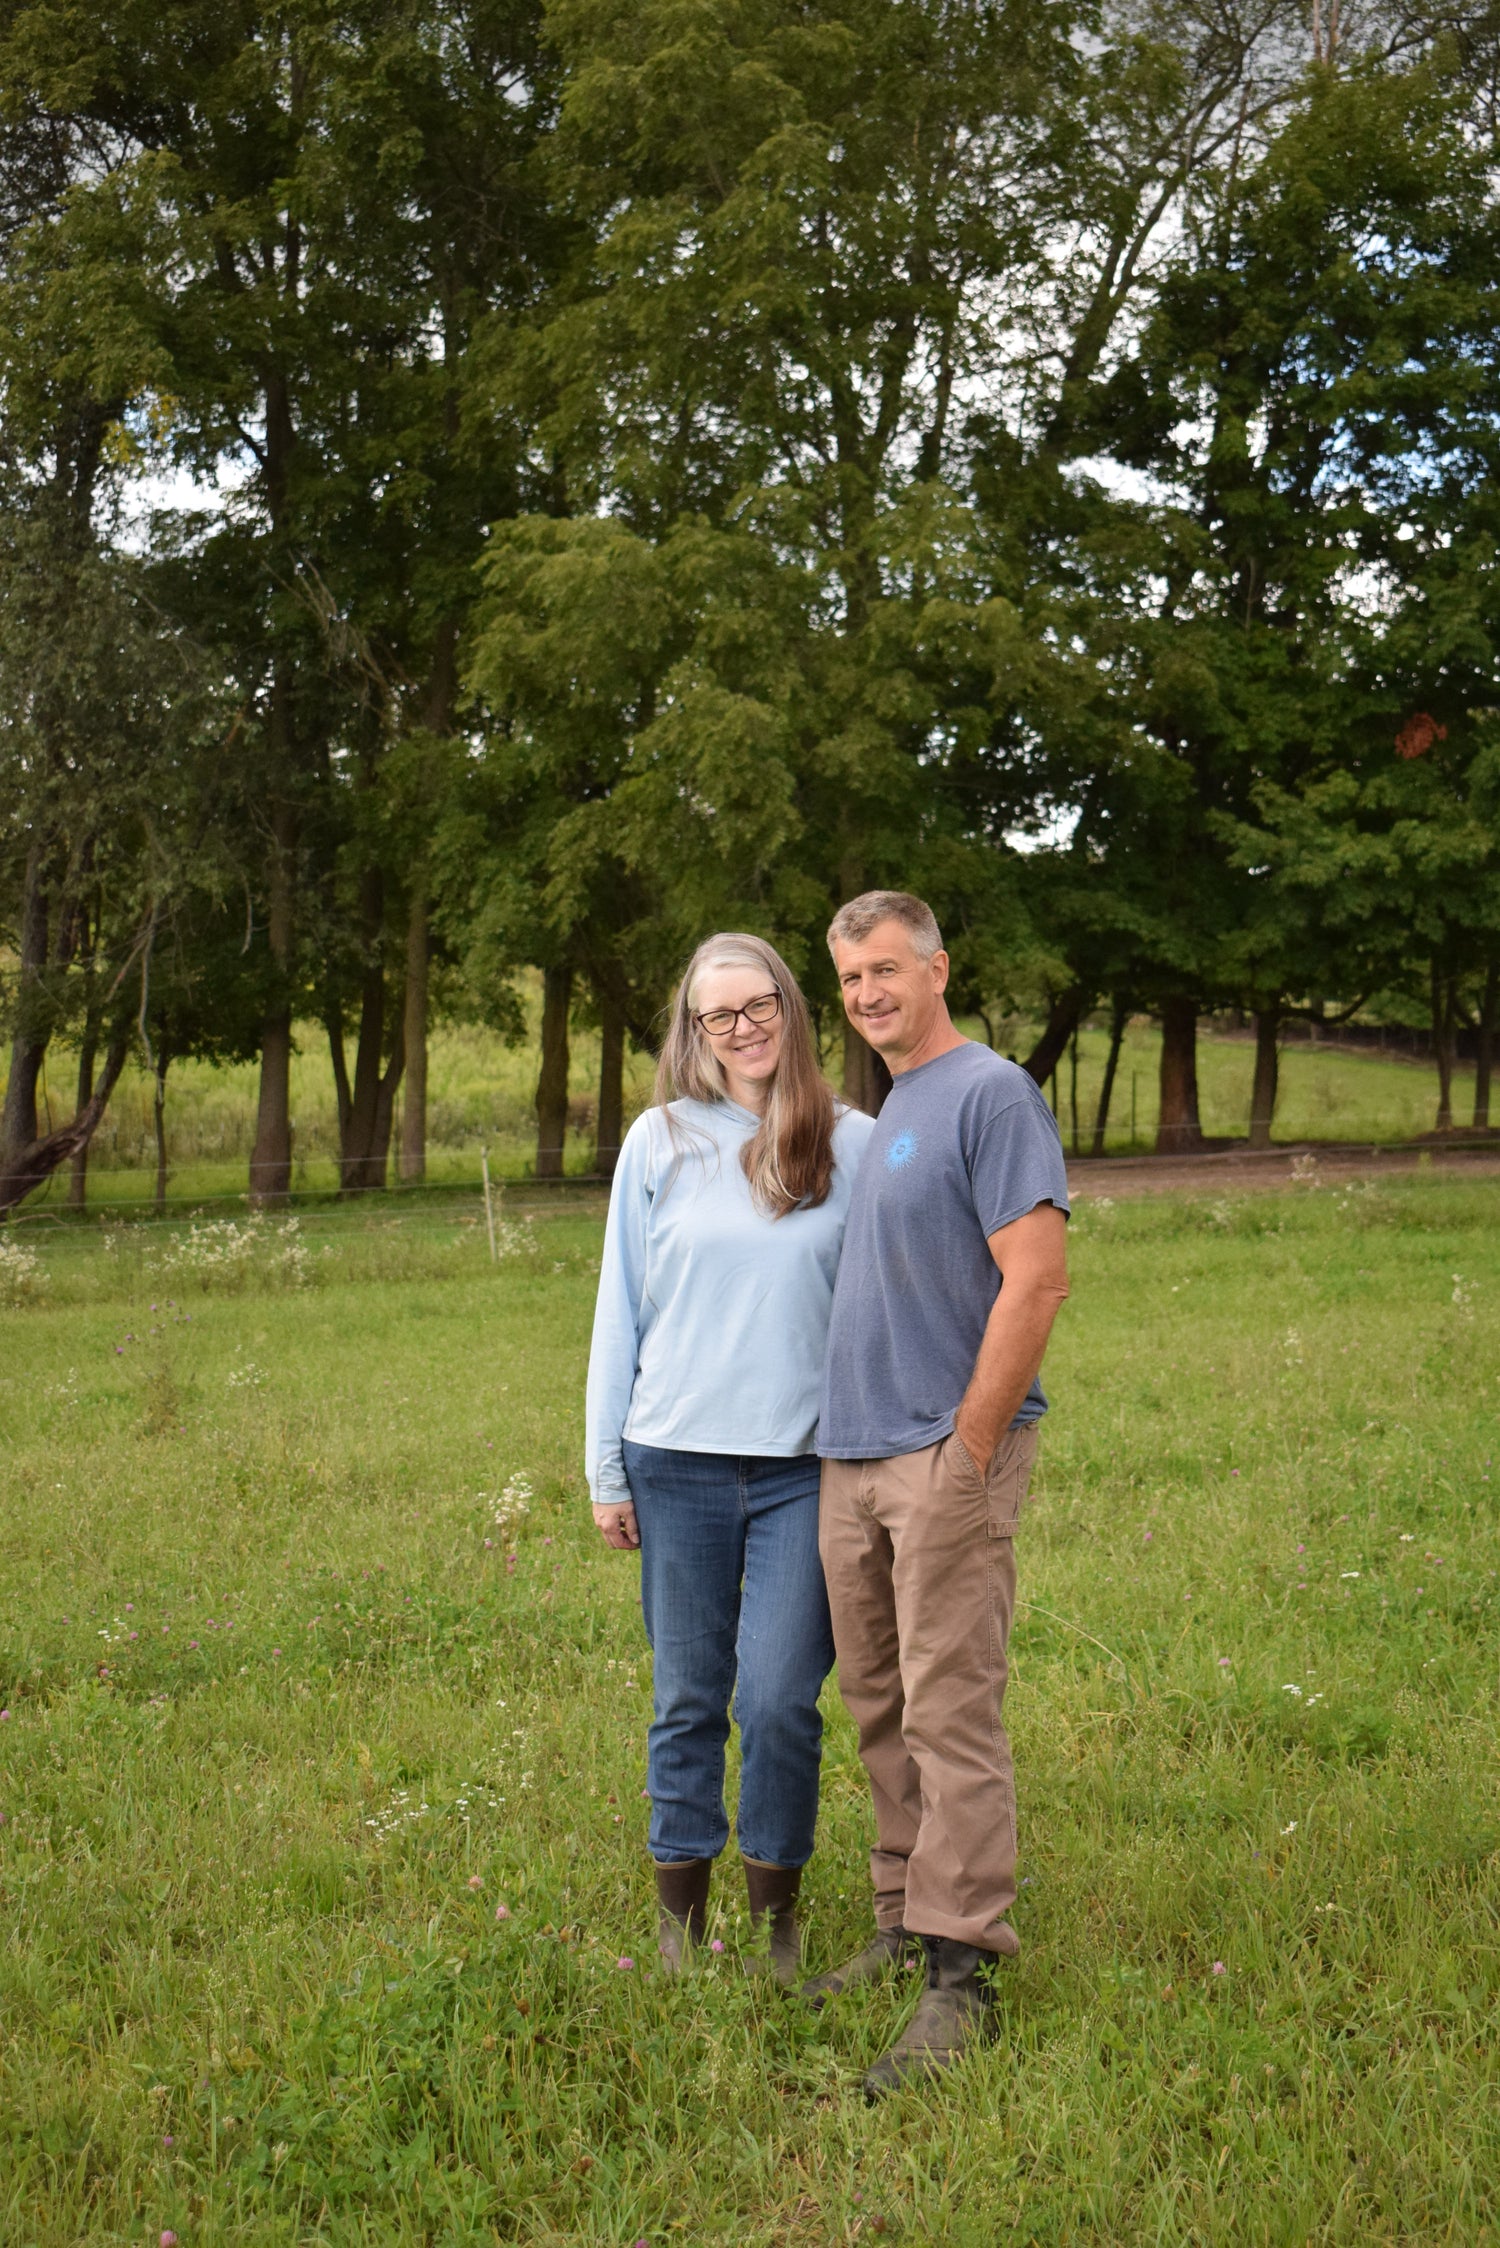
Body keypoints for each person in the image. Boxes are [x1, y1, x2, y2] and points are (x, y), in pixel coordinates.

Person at [810, 891, 1071, 2095]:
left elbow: (1037, 1279)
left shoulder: (991, 1092)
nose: (866, 993)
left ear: (937, 968)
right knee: (878, 1700)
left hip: (939, 1454)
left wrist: (968, 1449)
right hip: (854, 1454)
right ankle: (902, 1915)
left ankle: (963, 1973)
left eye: (884, 970)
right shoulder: (893, 1104)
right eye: (851, 977)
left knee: (949, 1703)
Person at [587, 933, 875, 1978]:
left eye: (759, 1005)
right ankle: (678, 1923)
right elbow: (618, 1309)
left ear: (792, 1009)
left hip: (807, 1470)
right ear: (694, 1030)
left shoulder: (853, 1141)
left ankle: (776, 1920)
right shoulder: (659, 1141)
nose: (742, 1027)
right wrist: (604, 1470)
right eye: (719, 1014)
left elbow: (887, 1302)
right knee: (688, 1696)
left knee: (778, 1699)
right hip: (675, 1460)